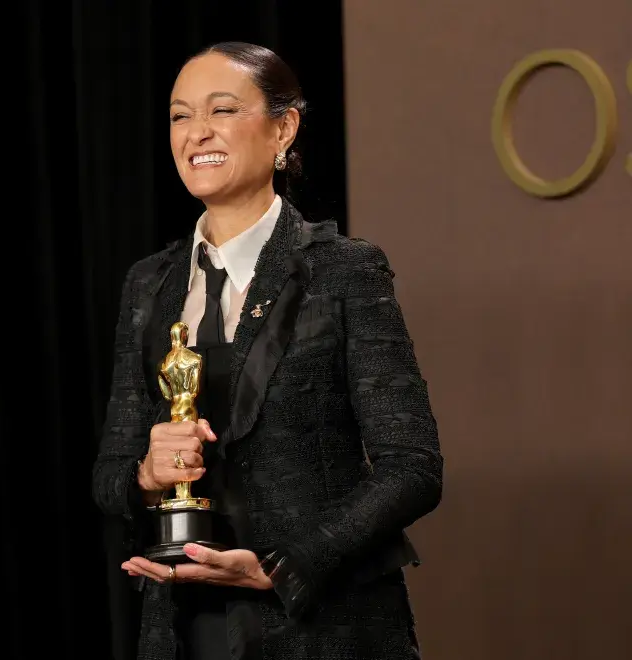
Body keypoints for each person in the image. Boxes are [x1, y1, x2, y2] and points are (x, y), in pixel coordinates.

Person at [91, 41, 443, 660]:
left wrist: (285, 567)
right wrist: (147, 475)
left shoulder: (343, 271)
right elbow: (110, 474)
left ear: (284, 127)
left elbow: (411, 467)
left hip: (326, 625)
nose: (197, 132)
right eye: (180, 115)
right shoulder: (149, 285)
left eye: (222, 110)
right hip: (184, 630)